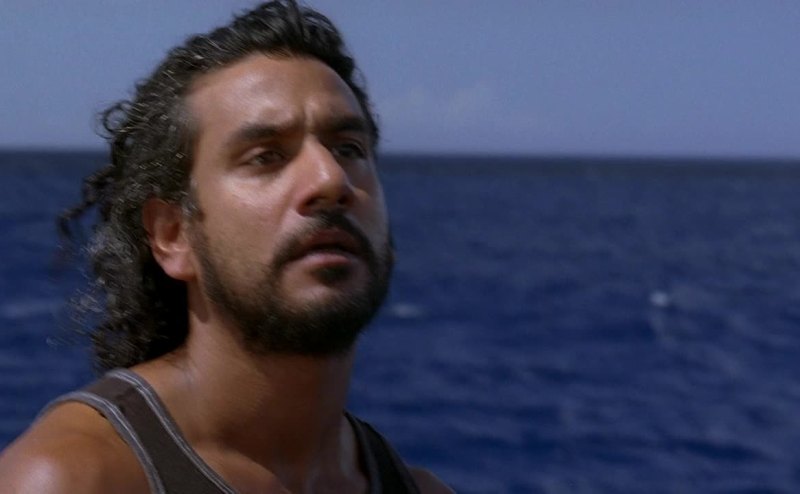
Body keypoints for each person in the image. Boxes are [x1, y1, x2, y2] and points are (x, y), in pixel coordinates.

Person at [0, 2, 453, 492]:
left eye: (349, 149)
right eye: (266, 156)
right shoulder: (76, 478)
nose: (330, 179)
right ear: (173, 235)